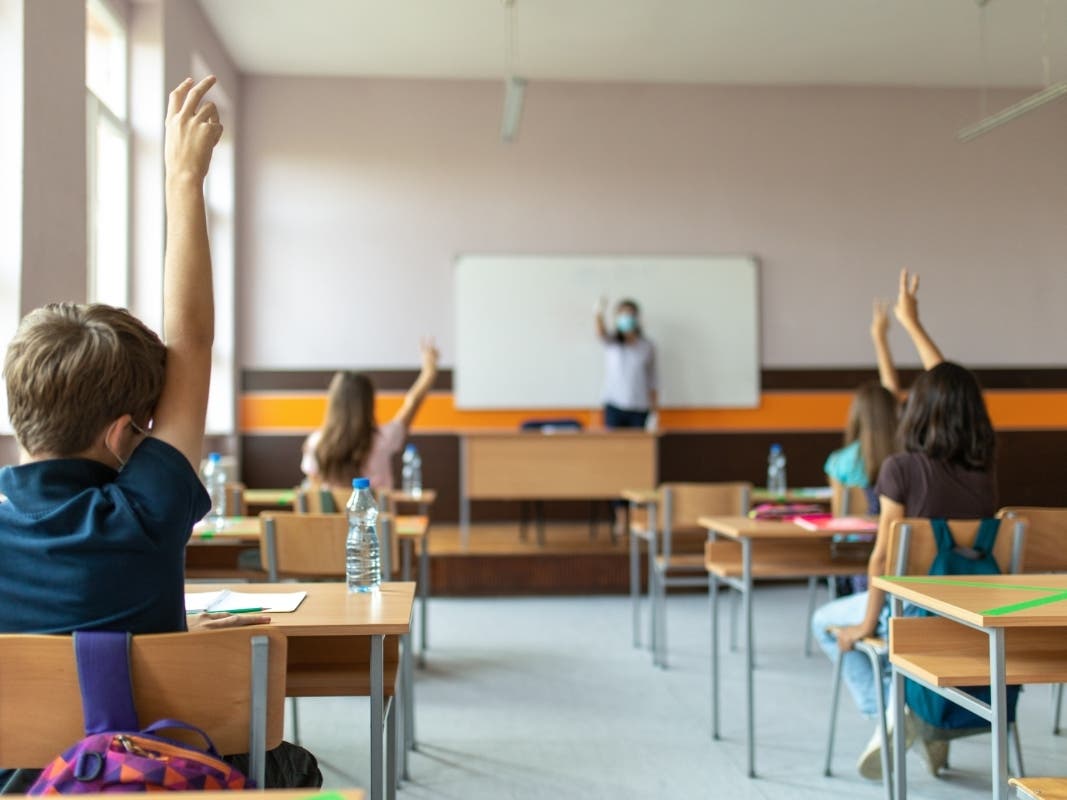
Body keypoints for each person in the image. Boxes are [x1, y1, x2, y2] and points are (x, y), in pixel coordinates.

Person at [0, 77, 318, 790]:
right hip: (142, 777)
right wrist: (183, 179)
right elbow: (192, 339)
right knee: (292, 764)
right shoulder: (141, 514)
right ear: (122, 436)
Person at [812, 268, 998, 781]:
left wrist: (867, 623)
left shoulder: (900, 467)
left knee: (825, 622)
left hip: (910, 610)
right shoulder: (983, 472)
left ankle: (892, 718)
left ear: (915, 411)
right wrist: (912, 326)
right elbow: (953, 389)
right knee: (896, 639)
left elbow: (881, 558)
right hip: (970, 611)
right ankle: (916, 722)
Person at [301, 339, 438, 491]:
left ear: (333, 404)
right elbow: (412, 403)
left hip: (333, 516)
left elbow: (312, 494)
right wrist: (429, 371)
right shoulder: (383, 439)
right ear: (369, 404)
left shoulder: (316, 444)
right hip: (378, 515)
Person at [823, 300, 900, 514]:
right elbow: (891, 395)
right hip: (897, 546)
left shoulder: (839, 463)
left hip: (851, 546)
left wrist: (878, 338)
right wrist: (880, 339)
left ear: (856, 416)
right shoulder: (906, 456)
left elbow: (839, 520)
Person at [595, 298, 658, 535]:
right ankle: (619, 516)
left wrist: (655, 412)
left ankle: (637, 515)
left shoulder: (647, 346)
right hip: (614, 408)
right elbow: (600, 332)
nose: (626, 319)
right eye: (621, 315)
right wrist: (598, 312)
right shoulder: (612, 343)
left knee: (637, 465)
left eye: (629, 314)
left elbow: (654, 381)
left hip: (639, 409)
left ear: (637, 318)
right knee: (616, 464)